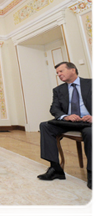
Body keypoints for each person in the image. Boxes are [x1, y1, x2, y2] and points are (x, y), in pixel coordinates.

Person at [38, 62, 96, 191]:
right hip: (69, 122)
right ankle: (55, 168)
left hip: (90, 122)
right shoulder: (58, 90)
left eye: (61, 71)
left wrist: (95, 117)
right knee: (45, 126)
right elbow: (54, 108)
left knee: (91, 133)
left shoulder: (93, 84)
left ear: (73, 70)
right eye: (57, 73)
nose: (59, 74)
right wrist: (65, 116)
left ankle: (93, 174)